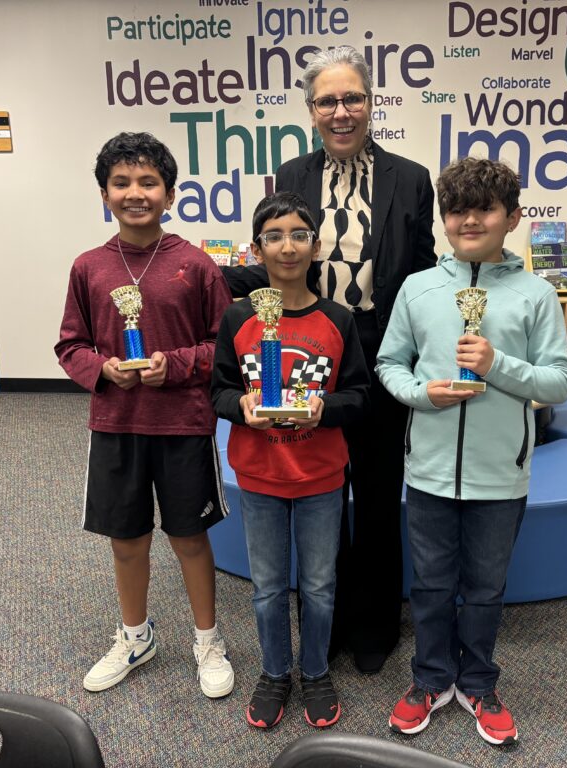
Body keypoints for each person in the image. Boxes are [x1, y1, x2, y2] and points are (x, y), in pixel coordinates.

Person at [222, 45, 436, 674]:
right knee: (317, 494)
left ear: (371, 104)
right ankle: (326, 622)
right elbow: (278, 253)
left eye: (353, 98)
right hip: (305, 344)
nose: (341, 111)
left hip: (380, 347)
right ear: (311, 110)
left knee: (374, 492)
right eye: (327, 101)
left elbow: (420, 271)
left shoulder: (411, 177)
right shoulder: (291, 174)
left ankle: (372, 629)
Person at [375, 157, 567, 745]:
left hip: (501, 475)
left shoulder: (535, 294)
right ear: (443, 218)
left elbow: (560, 381)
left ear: (512, 217)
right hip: (431, 471)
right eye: (457, 209)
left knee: (486, 588)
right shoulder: (419, 288)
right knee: (432, 585)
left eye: (484, 208)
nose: (469, 220)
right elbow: (391, 363)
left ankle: (480, 682)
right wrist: (422, 395)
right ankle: (432, 679)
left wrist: (499, 366)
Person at [56, 132, 235, 699]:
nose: (136, 193)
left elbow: (223, 347)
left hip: (183, 424)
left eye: (148, 182)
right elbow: (70, 346)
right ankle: (135, 635)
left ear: (171, 192)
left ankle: (208, 640)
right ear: (104, 194)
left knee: (189, 536)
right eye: (122, 183)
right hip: (116, 425)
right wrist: (104, 370)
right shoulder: (88, 267)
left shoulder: (196, 266)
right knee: (126, 539)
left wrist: (176, 366)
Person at [211, 192, 369, 729]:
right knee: (269, 586)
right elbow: (218, 391)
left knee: (321, 586)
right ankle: (275, 672)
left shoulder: (338, 320)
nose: (287, 246)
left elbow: (360, 396)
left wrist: (324, 410)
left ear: (316, 245)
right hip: (259, 475)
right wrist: (242, 406)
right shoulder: (237, 317)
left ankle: (316, 670)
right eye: (274, 236)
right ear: (257, 248)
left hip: (321, 476)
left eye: (298, 235)